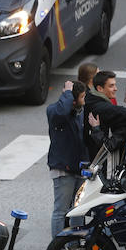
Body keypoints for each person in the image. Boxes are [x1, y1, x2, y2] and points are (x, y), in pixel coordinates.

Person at [47, 80, 90, 237]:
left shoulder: (81, 112)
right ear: (73, 99)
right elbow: (61, 112)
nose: (85, 100)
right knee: (61, 210)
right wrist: (67, 92)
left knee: (78, 210)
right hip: (63, 168)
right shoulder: (54, 111)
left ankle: (75, 246)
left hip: (80, 168)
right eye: (82, 97)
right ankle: (58, 248)